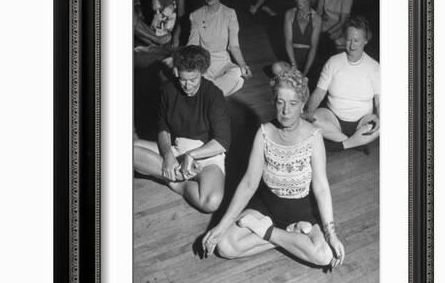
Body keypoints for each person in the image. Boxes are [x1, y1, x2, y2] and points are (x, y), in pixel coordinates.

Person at [202, 69, 345, 269]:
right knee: (225, 246)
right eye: (280, 102)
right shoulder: (264, 133)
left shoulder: (314, 136)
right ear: (274, 102)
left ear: (303, 104)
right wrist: (221, 225)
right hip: (268, 205)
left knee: (324, 256)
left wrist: (332, 234)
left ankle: (268, 233)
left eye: (293, 103)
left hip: (302, 209)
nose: (286, 111)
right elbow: (249, 183)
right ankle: (290, 237)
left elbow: (321, 186)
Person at [133, 45, 230, 213]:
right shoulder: (168, 89)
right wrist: (168, 155)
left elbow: (222, 141)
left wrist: (191, 155)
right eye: (183, 79)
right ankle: (177, 177)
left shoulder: (214, 95)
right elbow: (163, 127)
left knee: (210, 202)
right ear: (177, 72)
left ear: (202, 73)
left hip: (206, 156)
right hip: (177, 149)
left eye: (193, 80)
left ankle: (177, 182)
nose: (187, 86)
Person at [304, 16, 380, 151]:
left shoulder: (374, 67)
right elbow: (319, 92)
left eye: (356, 40)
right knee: (311, 119)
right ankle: (355, 143)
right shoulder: (333, 62)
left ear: (366, 40)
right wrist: (308, 113)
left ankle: (341, 145)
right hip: (333, 119)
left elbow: (379, 102)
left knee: (382, 126)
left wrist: (380, 119)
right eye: (349, 39)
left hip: (362, 121)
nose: (352, 45)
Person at [188, 0, 252, 96]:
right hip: (203, 63)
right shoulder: (195, 15)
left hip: (223, 63)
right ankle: (212, 93)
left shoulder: (229, 13)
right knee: (191, 78)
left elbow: (234, 46)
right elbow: (192, 46)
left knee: (237, 72)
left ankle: (206, 93)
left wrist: (243, 65)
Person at [272, 0, 322, 78]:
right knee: (276, 67)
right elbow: (288, 42)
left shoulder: (317, 19)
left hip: (309, 60)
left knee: (312, 77)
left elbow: (313, 47)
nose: (298, 0)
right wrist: (294, 66)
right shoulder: (289, 14)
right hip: (292, 58)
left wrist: (306, 71)